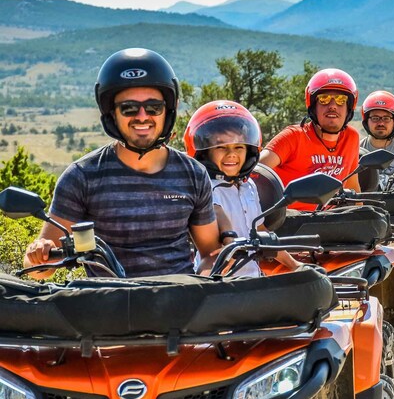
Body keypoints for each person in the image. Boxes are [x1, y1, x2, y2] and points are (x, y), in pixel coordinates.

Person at [24, 48, 219, 279]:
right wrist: (38, 254)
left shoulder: (193, 174)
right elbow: (40, 270)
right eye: (129, 108)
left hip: (179, 302)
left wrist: (204, 283)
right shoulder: (82, 176)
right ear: (112, 114)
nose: (142, 116)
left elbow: (210, 253)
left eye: (154, 107)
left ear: (167, 111)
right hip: (110, 306)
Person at [183, 100, 266, 277]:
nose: (232, 154)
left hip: (254, 279)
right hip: (219, 281)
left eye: (239, 146)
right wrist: (230, 239)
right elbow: (217, 212)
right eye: (220, 146)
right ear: (205, 153)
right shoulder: (206, 187)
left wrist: (295, 265)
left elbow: (261, 233)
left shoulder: (248, 186)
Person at [259, 68, 361, 210]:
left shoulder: (351, 137)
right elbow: (256, 169)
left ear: (349, 107)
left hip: (331, 220)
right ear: (313, 106)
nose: (332, 106)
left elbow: (352, 186)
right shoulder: (293, 137)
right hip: (290, 222)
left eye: (340, 99)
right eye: (324, 99)